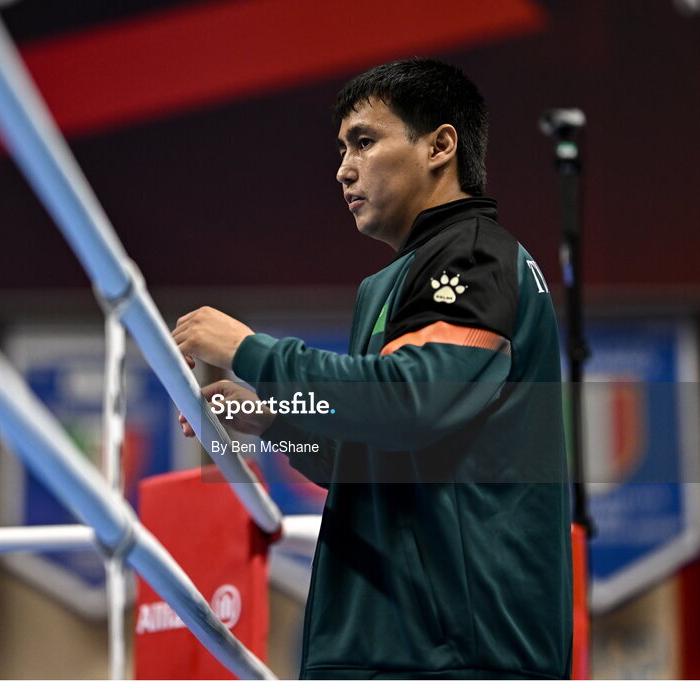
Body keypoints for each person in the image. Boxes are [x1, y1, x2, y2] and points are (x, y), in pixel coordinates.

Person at [172, 58, 572, 679]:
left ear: (440, 145)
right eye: (341, 148)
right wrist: (271, 415)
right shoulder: (388, 283)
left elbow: (412, 402)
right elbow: (359, 456)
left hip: (459, 655)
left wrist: (249, 349)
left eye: (364, 141)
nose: (343, 168)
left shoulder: (472, 255)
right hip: (382, 643)